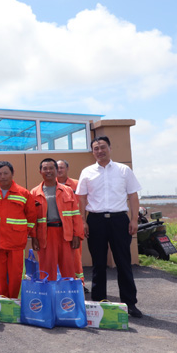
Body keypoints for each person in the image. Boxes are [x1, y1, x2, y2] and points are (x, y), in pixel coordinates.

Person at [77, 136, 143, 318]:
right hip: (95, 220)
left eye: (103, 147)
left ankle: (129, 303)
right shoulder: (87, 172)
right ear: (93, 152)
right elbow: (81, 198)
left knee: (123, 262)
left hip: (119, 220)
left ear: (110, 148)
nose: (100, 151)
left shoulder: (123, 170)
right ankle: (99, 303)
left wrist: (134, 219)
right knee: (98, 264)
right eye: (96, 148)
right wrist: (83, 221)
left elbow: (133, 195)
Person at [0, 161, 36, 299]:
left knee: (16, 274)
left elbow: (32, 215)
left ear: (12, 173)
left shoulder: (23, 193)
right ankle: (1, 302)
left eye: (5, 173)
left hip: (16, 242)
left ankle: (15, 301)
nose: (3, 176)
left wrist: (24, 231)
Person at [30, 158, 84, 280]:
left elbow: (75, 214)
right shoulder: (34, 193)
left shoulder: (67, 191)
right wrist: (34, 237)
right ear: (40, 171)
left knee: (68, 268)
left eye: (51, 168)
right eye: (45, 168)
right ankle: (48, 292)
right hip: (45, 235)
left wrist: (77, 235)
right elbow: (32, 218)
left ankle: (68, 292)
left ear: (56, 170)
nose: (48, 171)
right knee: (47, 269)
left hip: (66, 234)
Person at [57, 159, 87, 291]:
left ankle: (79, 284)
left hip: (74, 226)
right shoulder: (50, 185)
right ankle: (62, 284)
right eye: (57, 168)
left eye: (61, 167)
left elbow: (84, 203)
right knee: (58, 258)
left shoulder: (76, 184)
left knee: (75, 257)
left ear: (67, 169)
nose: (59, 170)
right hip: (57, 228)